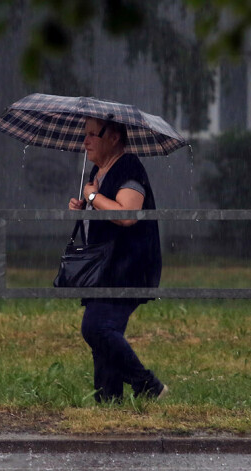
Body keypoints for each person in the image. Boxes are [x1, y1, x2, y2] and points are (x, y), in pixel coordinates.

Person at [68, 116, 168, 403]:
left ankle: (148, 385)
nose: (85, 141)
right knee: (103, 335)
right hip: (104, 268)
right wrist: (83, 208)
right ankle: (109, 401)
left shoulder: (128, 168)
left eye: (91, 134)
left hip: (128, 267)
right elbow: (103, 210)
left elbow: (127, 214)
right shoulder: (96, 172)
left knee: (96, 327)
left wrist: (93, 196)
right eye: (84, 134)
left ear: (113, 138)